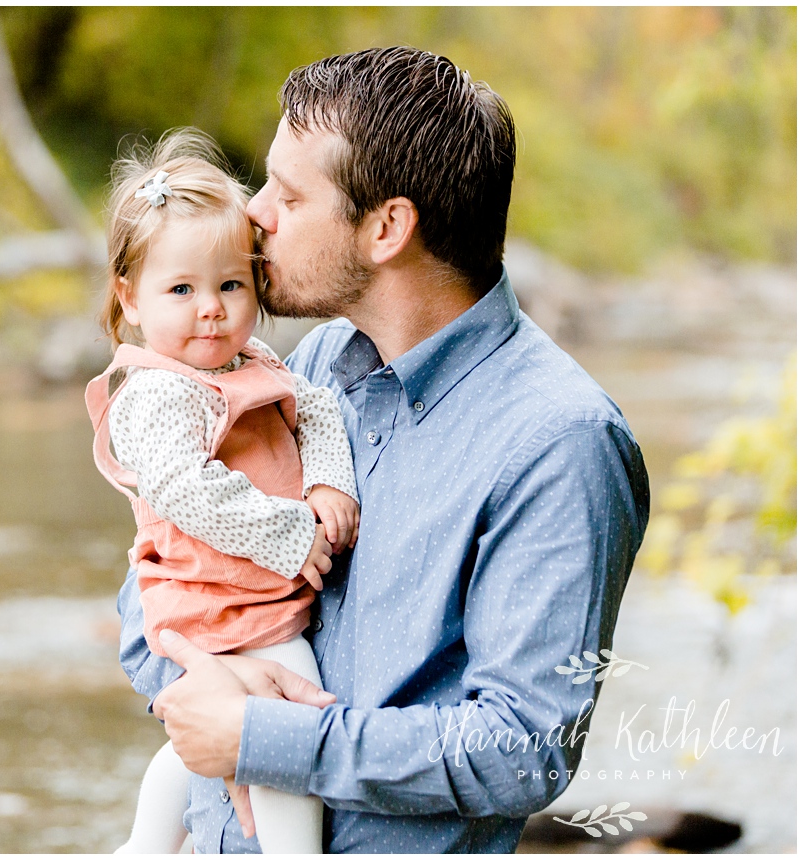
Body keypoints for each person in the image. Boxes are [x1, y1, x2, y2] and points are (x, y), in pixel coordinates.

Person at [117, 47, 650, 853]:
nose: (253, 215)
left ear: (387, 228)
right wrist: (208, 681)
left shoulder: (561, 444)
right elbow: (153, 580)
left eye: (289, 196)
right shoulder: (309, 367)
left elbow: (522, 752)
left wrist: (265, 736)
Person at [87, 129, 357, 855]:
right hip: (222, 603)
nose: (211, 309)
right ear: (130, 298)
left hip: (245, 594)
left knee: (210, 727)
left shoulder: (252, 359)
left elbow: (319, 409)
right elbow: (185, 490)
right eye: (181, 290)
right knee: (281, 714)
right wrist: (292, 532)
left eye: (229, 285)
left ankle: (145, 846)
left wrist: (330, 478)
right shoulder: (155, 395)